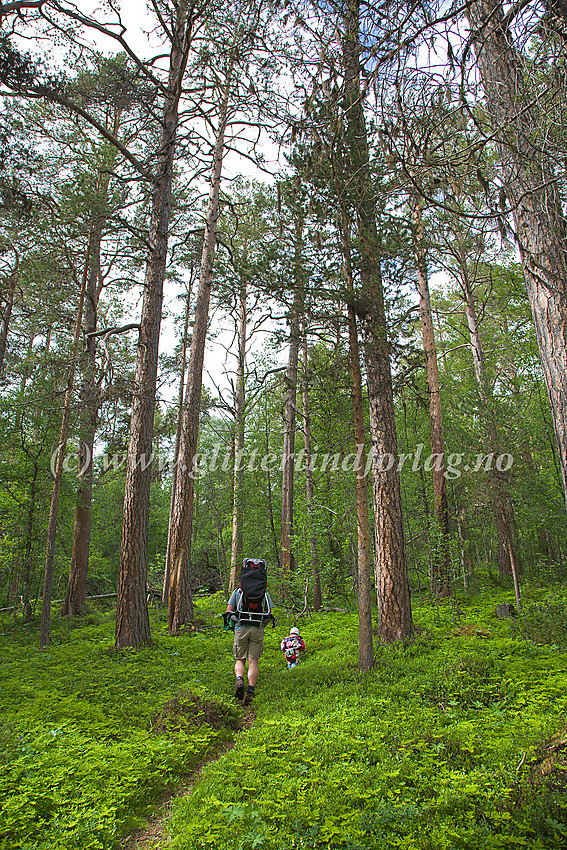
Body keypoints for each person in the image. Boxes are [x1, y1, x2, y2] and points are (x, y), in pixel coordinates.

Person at [225, 559, 274, 706]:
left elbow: (229, 611)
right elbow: (269, 613)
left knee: (240, 659)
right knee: (254, 661)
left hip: (241, 628)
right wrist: (260, 625)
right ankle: (250, 690)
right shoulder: (264, 594)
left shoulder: (238, 592)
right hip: (257, 628)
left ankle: (240, 680)